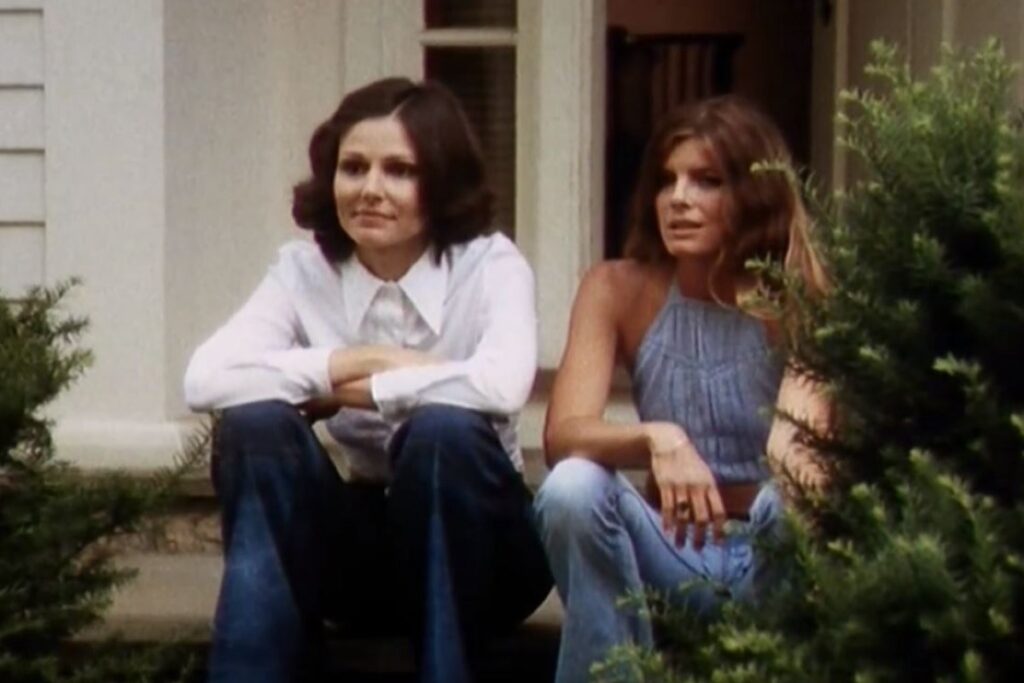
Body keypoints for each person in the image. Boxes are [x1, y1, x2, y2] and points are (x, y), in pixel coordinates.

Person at [184, 77, 552, 683]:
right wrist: (363, 360)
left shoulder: (491, 265)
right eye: (353, 167)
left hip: (485, 553)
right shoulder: (303, 270)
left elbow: (501, 387)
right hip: (362, 555)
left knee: (442, 434)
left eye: (400, 170)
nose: (371, 190)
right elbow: (205, 379)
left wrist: (341, 393)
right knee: (255, 425)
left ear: (440, 180)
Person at [534, 95, 830, 683]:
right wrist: (656, 438)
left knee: (785, 501)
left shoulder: (801, 299)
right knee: (571, 487)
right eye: (667, 181)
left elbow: (801, 473)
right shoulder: (616, 287)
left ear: (753, 194)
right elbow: (562, 436)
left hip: (773, 562)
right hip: (672, 552)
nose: (679, 199)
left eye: (707, 181)